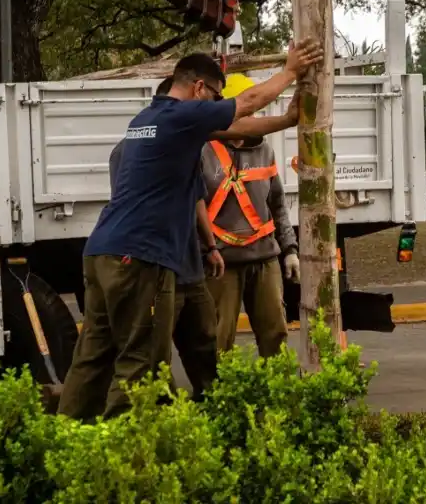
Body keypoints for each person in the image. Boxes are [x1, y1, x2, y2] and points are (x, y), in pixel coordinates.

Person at [57, 38, 324, 421]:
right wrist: (291, 71)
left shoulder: (147, 122)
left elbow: (234, 128)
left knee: (92, 355)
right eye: (215, 97)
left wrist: (285, 121)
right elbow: (246, 104)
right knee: (139, 360)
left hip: (103, 252)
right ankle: (124, 447)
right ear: (199, 88)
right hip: (139, 257)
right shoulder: (182, 117)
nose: (217, 106)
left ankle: (66, 436)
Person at [108, 126, 223, 402]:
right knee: (154, 352)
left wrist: (210, 247)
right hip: (157, 271)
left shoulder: (186, 148)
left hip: (190, 267)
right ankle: (161, 411)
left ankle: (212, 404)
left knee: (205, 339)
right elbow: (130, 207)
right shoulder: (126, 151)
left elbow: (197, 199)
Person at [202, 73, 301, 357]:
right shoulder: (203, 150)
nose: (251, 117)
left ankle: (277, 385)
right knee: (218, 341)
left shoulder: (264, 150)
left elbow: (277, 204)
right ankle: (221, 387)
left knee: (275, 336)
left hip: (264, 259)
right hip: (221, 263)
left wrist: (290, 250)